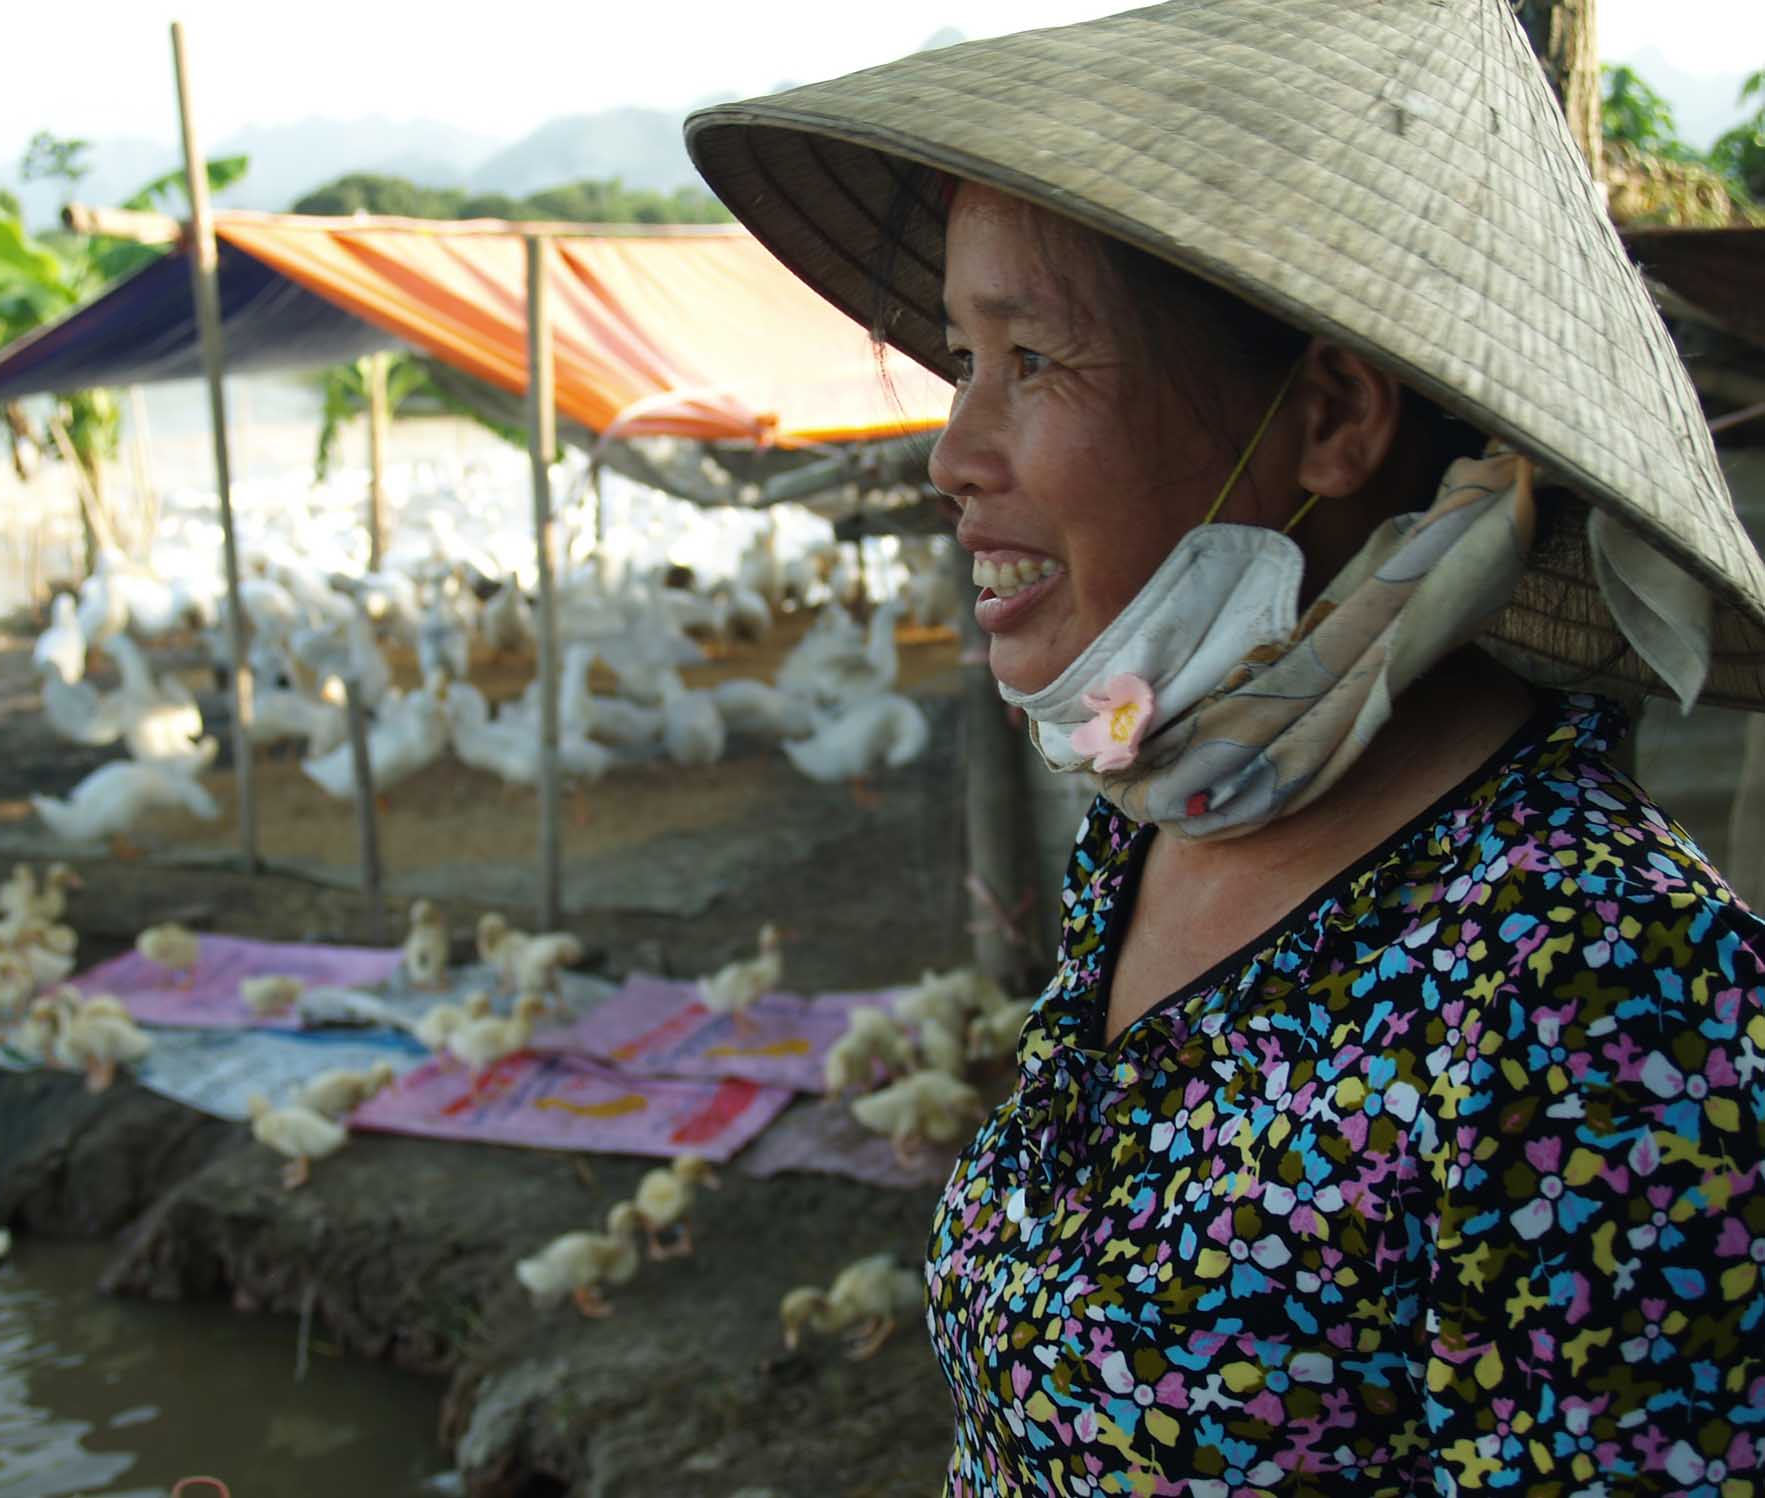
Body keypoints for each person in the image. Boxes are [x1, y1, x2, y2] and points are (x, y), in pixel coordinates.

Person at [686, 1, 1765, 1492]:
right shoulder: (1168, 816)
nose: (950, 455)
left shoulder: (1606, 989)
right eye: (956, 357)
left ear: (1326, 414)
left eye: (1034, 361)